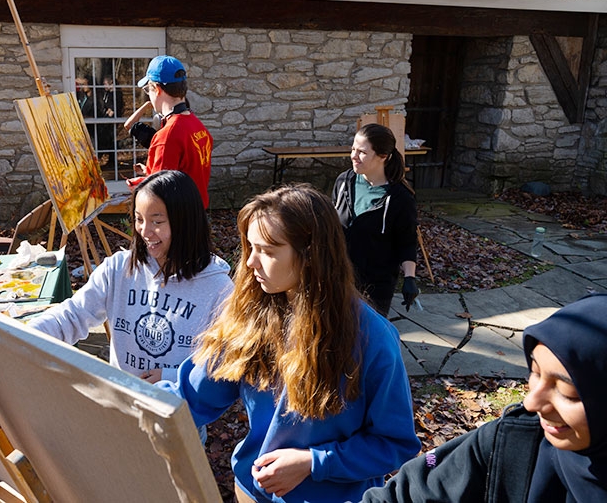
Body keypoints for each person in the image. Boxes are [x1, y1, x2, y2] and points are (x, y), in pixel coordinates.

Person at [158, 183, 420, 503]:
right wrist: (126, 404)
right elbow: (191, 396)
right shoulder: (249, 317)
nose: (251, 262)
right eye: (250, 248)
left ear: (311, 256)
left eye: (267, 251)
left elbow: (395, 444)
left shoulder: (373, 339)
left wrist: (313, 462)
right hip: (252, 494)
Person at [361, 292, 607, 502]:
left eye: (567, 392)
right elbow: (404, 494)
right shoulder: (511, 440)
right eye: (534, 372)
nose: (532, 403)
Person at [26, 170, 232, 383]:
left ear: (185, 222)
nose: (145, 231)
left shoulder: (218, 288)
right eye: (139, 219)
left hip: (182, 411)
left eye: (157, 222)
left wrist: (174, 378)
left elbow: (227, 363)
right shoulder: (118, 268)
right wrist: (22, 336)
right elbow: (72, 316)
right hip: (124, 404)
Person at [331, 122, 419, 317]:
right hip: (338, 278)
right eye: (353, 149)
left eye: (362, 152)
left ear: (383, 157)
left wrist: (410, 278)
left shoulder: (400, 198)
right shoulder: (344, 182)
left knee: (367, 340)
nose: (353, 156)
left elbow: (407, 242)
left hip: (375, 287)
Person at [126, 55, 213, 209]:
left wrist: (138, 185)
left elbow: (158, 194)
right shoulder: (197, 125)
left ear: (157, 89)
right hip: (196, 213)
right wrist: (149, 170)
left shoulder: (166, 136)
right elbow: (185, 171)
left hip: (176, 219)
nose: (149, 95)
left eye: (148, 90)